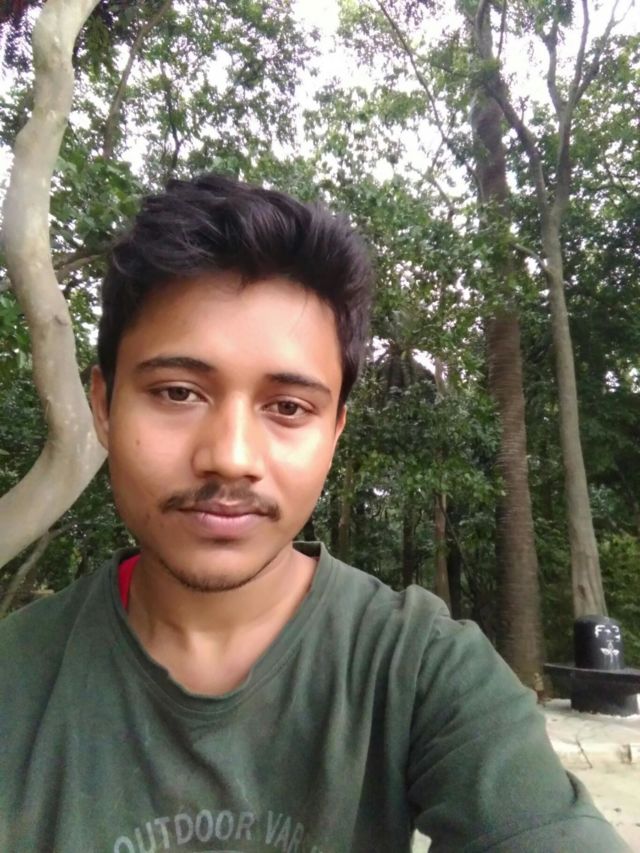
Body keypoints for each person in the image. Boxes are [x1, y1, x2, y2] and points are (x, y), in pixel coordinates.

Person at [0, 175, 628, 853]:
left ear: (334, 432)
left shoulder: (417, 668)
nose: (231, 458)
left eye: (288, 407)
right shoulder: (16, 677)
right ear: (104, 405)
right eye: (178, 392)